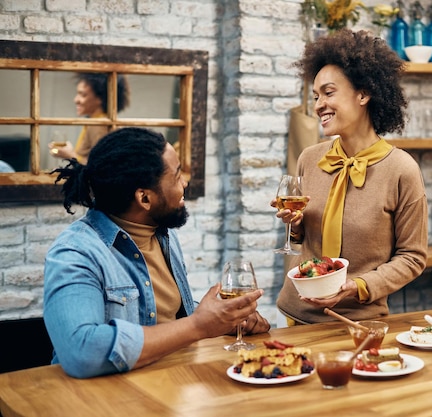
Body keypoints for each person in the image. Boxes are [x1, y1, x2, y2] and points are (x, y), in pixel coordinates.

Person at [44, 127, 269, 378]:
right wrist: (199, 325)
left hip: (166, 381)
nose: (184, 183)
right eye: (176, 176)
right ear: (145, 198)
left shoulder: (162, 234)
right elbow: (81, 352)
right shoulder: (76, 253)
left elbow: (164, 316)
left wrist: (225, 320)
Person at [273, 29, 428, 325]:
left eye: (329, 93)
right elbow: (304, 241)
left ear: (363, 93)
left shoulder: (401, 170)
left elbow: (412, 257)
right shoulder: (310, 158)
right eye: (316, 95)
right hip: (296, 317)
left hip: (359, 322)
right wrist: (294, 225)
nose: (318, 104)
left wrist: (357, 287)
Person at [48, 73, 130, 164]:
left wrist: (70, 155)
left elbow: (101, 165)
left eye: (83, 95)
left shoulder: (98, 124)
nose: (76, 100)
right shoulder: (95, 121)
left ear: (100, 98)